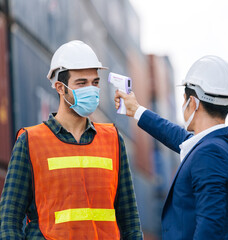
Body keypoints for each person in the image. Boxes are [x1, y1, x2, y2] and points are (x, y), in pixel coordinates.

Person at [0, 40, 143, 239]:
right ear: (60, 87)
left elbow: (131, 223)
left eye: (95, 82)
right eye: (82, 83)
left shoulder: (113, 140)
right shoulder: (30, 141)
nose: (91, 90)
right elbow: (9, 222)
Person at [115, 55, 228, 239]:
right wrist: (136, 110)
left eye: (184, 100)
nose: (183, 105)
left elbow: (209, 228)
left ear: (193, 103)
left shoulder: (210, 153)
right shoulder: (225, 143)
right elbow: (179, 137)